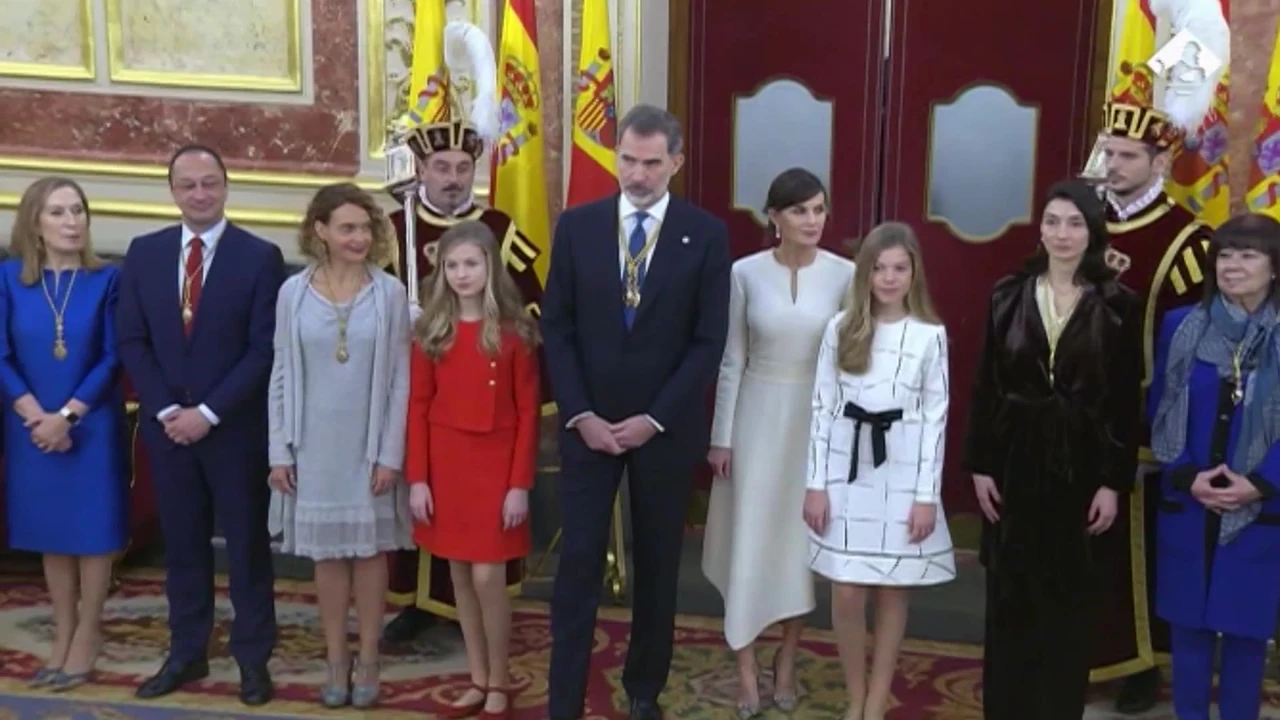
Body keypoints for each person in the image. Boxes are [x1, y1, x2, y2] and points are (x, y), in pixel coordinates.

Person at [541, 103, 731, 720]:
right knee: (577, 568)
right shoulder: (577, 226)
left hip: (663, 431)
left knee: (657, 566)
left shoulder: (704, 235)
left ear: (676, 162)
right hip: (588, 426)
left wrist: (655, 418)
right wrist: (580, 413)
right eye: (628, 159)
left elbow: (709, 342)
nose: (638, 174)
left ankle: (644, 690)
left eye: (652, 163)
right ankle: (563, 697)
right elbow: (559, 330)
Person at [964, 179, 1142, 719]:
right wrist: (979, 466)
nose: (1061, 234)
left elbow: (1122, 401)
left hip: (1082, 467)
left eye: (1074, 224)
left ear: (1092, 232)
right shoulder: (1007, 294)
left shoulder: (1118, 305)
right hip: (1015, 463)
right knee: (1010, 604)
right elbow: (986, 386)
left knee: (1068, 608)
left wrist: (1113, 481)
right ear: (1039, 228)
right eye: (1052, 221)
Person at [116, 144, 286, 706]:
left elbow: (263, 350)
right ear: (172, 191)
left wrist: (208, 413)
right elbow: (133, 342)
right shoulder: (144, 254)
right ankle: (187, 653)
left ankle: (253, 659)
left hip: (233, 431)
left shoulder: (260, 256)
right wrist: (168, 411)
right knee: (183, 548)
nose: (199, 193)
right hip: (168, 432)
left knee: (246, 549)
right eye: (187, 184)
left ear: (226, 186)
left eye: (209, 182)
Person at [1088, 52, 1221, 716]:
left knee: (1140, 550)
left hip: (1144, 420)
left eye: (1127, 156)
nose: (1112, 165)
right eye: (1109, 152)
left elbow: (1195, 351)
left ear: (1159, 163)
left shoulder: (1186, 239)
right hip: (1074, 415)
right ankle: (1085, 651)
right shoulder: (1077, 220)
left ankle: (1144, 663)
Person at [384, 118, 545, 649]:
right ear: (422, 170)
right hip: (406, 388)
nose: (452, 178)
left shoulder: (497, 228)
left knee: (474, 515)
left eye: (462, 168)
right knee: (421, 496)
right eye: (441, 167)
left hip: (481, 397)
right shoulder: (392, 227)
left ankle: (478, 614)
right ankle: (414, 603)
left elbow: (531, 302)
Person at [700, 168, 853, 717]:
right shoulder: (744, 273)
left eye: (819, 209)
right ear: (774, 216)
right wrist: (721, 438)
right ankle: (745, 671)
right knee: (747, 542)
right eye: (799, 210)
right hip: (754, 421)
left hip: (813, 426)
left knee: (796, 549)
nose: (812, 220)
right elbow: (732, 358)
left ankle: (787, 659)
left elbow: (850, 364)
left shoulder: (845, 274)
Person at [266, 183, 413, 708]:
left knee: (370, 552)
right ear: (319, 231)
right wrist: (279, 451)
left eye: (366, 227)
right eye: (347, 227)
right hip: (312, 445)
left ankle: (370, 655)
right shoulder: (294, 293)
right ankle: (336, 657)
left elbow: (401, 379)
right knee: (328, 556)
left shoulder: (389, 293)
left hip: (370, 444)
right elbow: (280, 372)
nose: (359, 237)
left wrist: (391, 454)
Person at [803, 222, 954, 720]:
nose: (889, 279)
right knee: (847, 589)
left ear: (914, 273)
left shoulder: (930, 336)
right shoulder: (840, 328)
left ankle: (875, 699)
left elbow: (935, 420)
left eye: (899, 268)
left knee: (892, 587)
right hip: (847, 471)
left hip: (904, 471)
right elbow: (822, 410)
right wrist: (815, 485)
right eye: (879, 268)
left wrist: (925, 495)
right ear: (865, 273)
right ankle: (854, 690)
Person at [406, 221, 541, 719]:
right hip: (447, 464)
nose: (462, 274)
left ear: (490, 267)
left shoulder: (515, 333)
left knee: (489, 576)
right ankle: (478, 677)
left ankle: (501, 676)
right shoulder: (430, 332)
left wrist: (518, 486)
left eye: (471, 264)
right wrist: (418, 478)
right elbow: (418, 405)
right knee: (459, 573)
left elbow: (528, 413)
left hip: (497, 467)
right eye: (452, 265)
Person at [1148, 213, 1280, 720]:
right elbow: (1160, 405)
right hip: (1190, 500)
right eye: (1225, 254)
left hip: (1261, 507)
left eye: (1248, 254)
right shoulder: (1181, 326)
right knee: (1189, 631)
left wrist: (1261, 483)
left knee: (1247, 635)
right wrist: (1185, 474)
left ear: (1273, 268)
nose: (1233, 265)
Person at [0, 177, 126, 691]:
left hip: (90, 424)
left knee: (92, 534)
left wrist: (66, 417)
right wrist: (37, 417)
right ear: (35, 222)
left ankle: (88, 633)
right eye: (58, 212)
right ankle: (63, 631)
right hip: (30, 425)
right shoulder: (10, 279)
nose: (72, 221)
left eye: (78, 210)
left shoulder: (107, 281)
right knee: (53, 534)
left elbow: (114, 356)